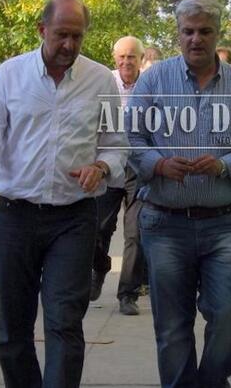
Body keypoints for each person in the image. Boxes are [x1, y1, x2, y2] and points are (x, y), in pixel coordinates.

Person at [0, 0, 129, 388]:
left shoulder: (101, 80)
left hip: (73, 218)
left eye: (77, 36)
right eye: (61, 35)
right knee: (14, 325)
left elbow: (117, 144)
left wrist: (100, 167)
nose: (69, 45)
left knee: (64, 321)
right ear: (42, 31)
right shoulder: (9, 75)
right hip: (15, 216)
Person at [128, 0, 231, 388]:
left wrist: (225, 164)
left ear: (216, 34)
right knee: (172, 327)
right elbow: (131, 137)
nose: (196, 39)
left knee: (227, 313)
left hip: (222, 225)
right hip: (164, 223)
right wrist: (157, 164)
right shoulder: (153, 80)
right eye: (188, 31)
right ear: (178, 35)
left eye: (205, 31)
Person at [90, 35, 147, 316]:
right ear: (115, 58)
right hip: (108, 165)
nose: (126, 61)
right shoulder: (103, 82)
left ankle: (128, 293)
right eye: (122, 56)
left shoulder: (150, 85)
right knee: (98, 227)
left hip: (138, 169)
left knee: (135, 232)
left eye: (132, 57)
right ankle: (99, 268)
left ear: (141, 59)